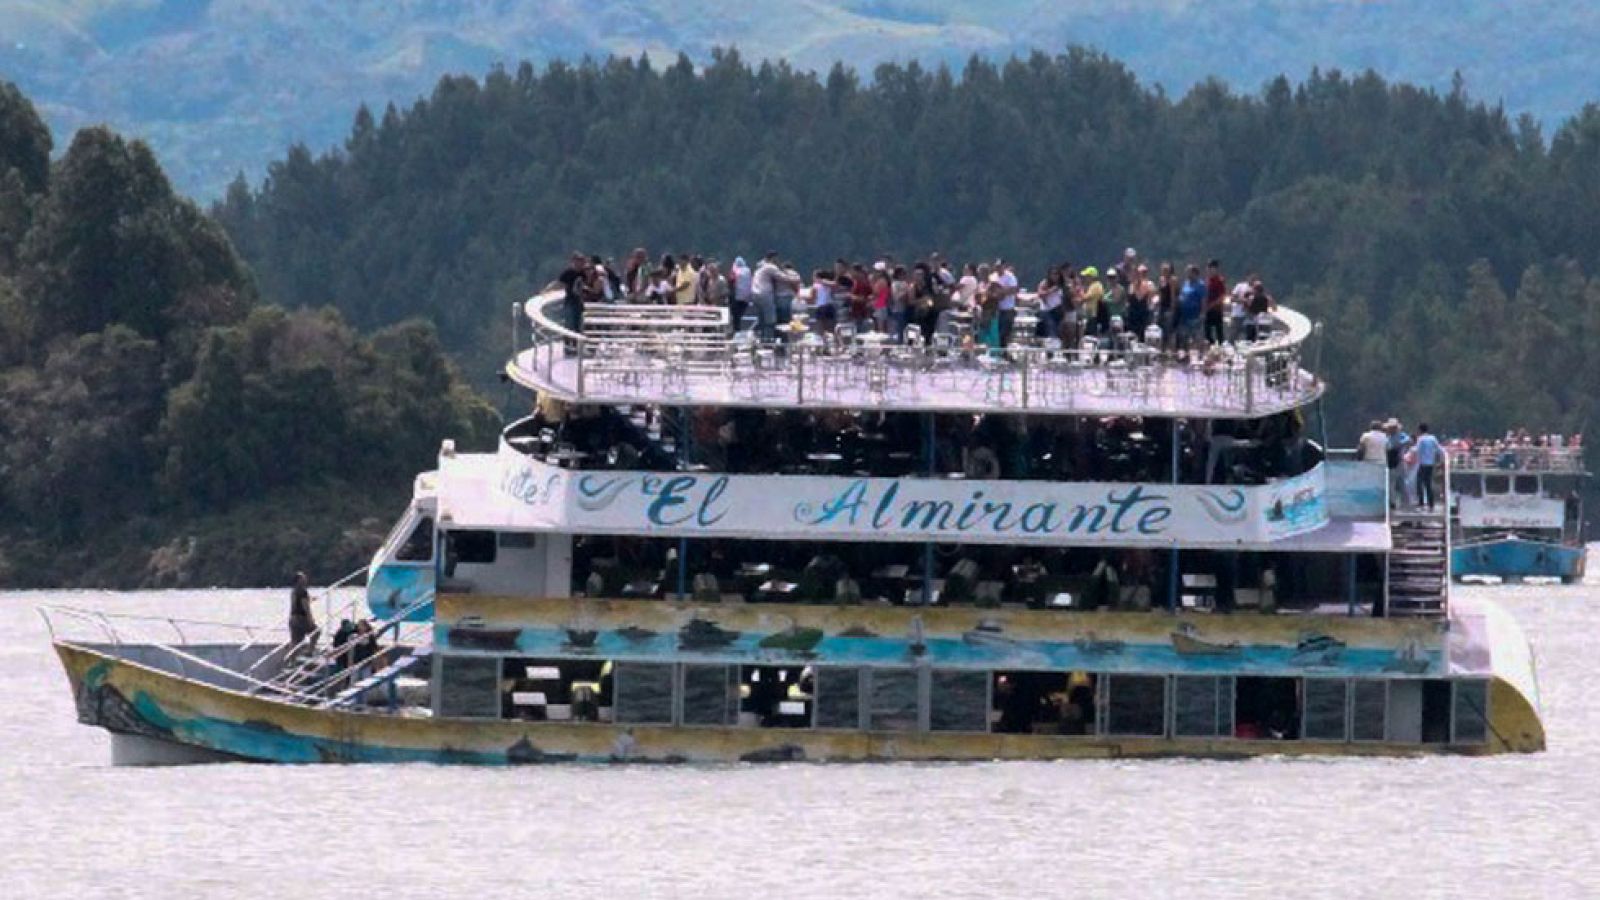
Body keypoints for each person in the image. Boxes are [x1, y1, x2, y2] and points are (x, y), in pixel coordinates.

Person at [1177, 265, 1207, 352]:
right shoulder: (1186, 283)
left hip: (1195, 316)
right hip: (1184, 316)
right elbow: (1182, 295)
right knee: (1184, 337)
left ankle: (1199, 354)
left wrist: (1202, 313)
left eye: (1189, 272)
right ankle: (1185, 355)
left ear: (1194, 273)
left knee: (1196, 337)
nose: (1187, 274)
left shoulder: (1200, 285)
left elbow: (1203, 300)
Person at [1414, 422, 1443, 511]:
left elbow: (1417, 450)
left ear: (1420, 430)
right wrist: (1441, 459)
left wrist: (1411, 452)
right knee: (1428, 484)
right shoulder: (1433, 438)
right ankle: (1431, 503)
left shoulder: (1421, 439)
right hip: (1430, 464)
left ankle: (1421, 502)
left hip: (1423, 463)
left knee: (1419, 483)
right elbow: (1439, 449)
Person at [1384, 418, 1411, 508]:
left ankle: (1405, 503)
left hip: (1399, 462)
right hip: (1392, 463)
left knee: (1401, 483)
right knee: (1392, 483)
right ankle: (1393, 502)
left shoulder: (1401, 436)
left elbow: (1408, 440)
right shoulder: (1388, 437)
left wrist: (1398, 445)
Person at [288, 571, 316, 651]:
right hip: (301, 618)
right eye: (303, 578)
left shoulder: (293, 591)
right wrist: (310, 619)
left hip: (293, 618)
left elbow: (297, 603)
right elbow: (305, 606)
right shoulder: (303, 591)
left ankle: (291, 660)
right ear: (299, 581)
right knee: (316, 632)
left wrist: (310, 599)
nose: (305, 579)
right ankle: (310, 651)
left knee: (295, 641)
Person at [1204, 259, 1227, 346]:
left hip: (1216, 309)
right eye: (1208, 268)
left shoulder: (1219, 280)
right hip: (1208, 309)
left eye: (1212, 268)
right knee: (1207, 332)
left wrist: (1212, 304)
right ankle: (1212, 346)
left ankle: (1220, 347)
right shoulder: (1207, 281)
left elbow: (1222, 296)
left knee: (1219, 331)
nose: (1210, 270)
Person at [729, 256, 753, 329]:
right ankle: (738, 329)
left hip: (736, 297)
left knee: (735, 316)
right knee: (740, 315)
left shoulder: (735, 270)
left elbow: (731, 280)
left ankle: (736, 330)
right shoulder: (748, 270)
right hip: (746, 298)